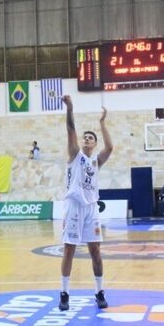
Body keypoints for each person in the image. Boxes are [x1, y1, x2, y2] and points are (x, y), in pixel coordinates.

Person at [58, 96, 113, 312]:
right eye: (86, 137)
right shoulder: (75, 154)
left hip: (91, 209)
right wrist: (70, 108)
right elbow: (70, 129)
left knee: (95, 251)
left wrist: (102, 123)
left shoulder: (95, 161)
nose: (87, 139)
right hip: (74, 206)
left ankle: (99, 292)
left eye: (91, 138)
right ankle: (64, 294)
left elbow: (110, 147)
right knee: (69, 250)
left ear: (95, 143)